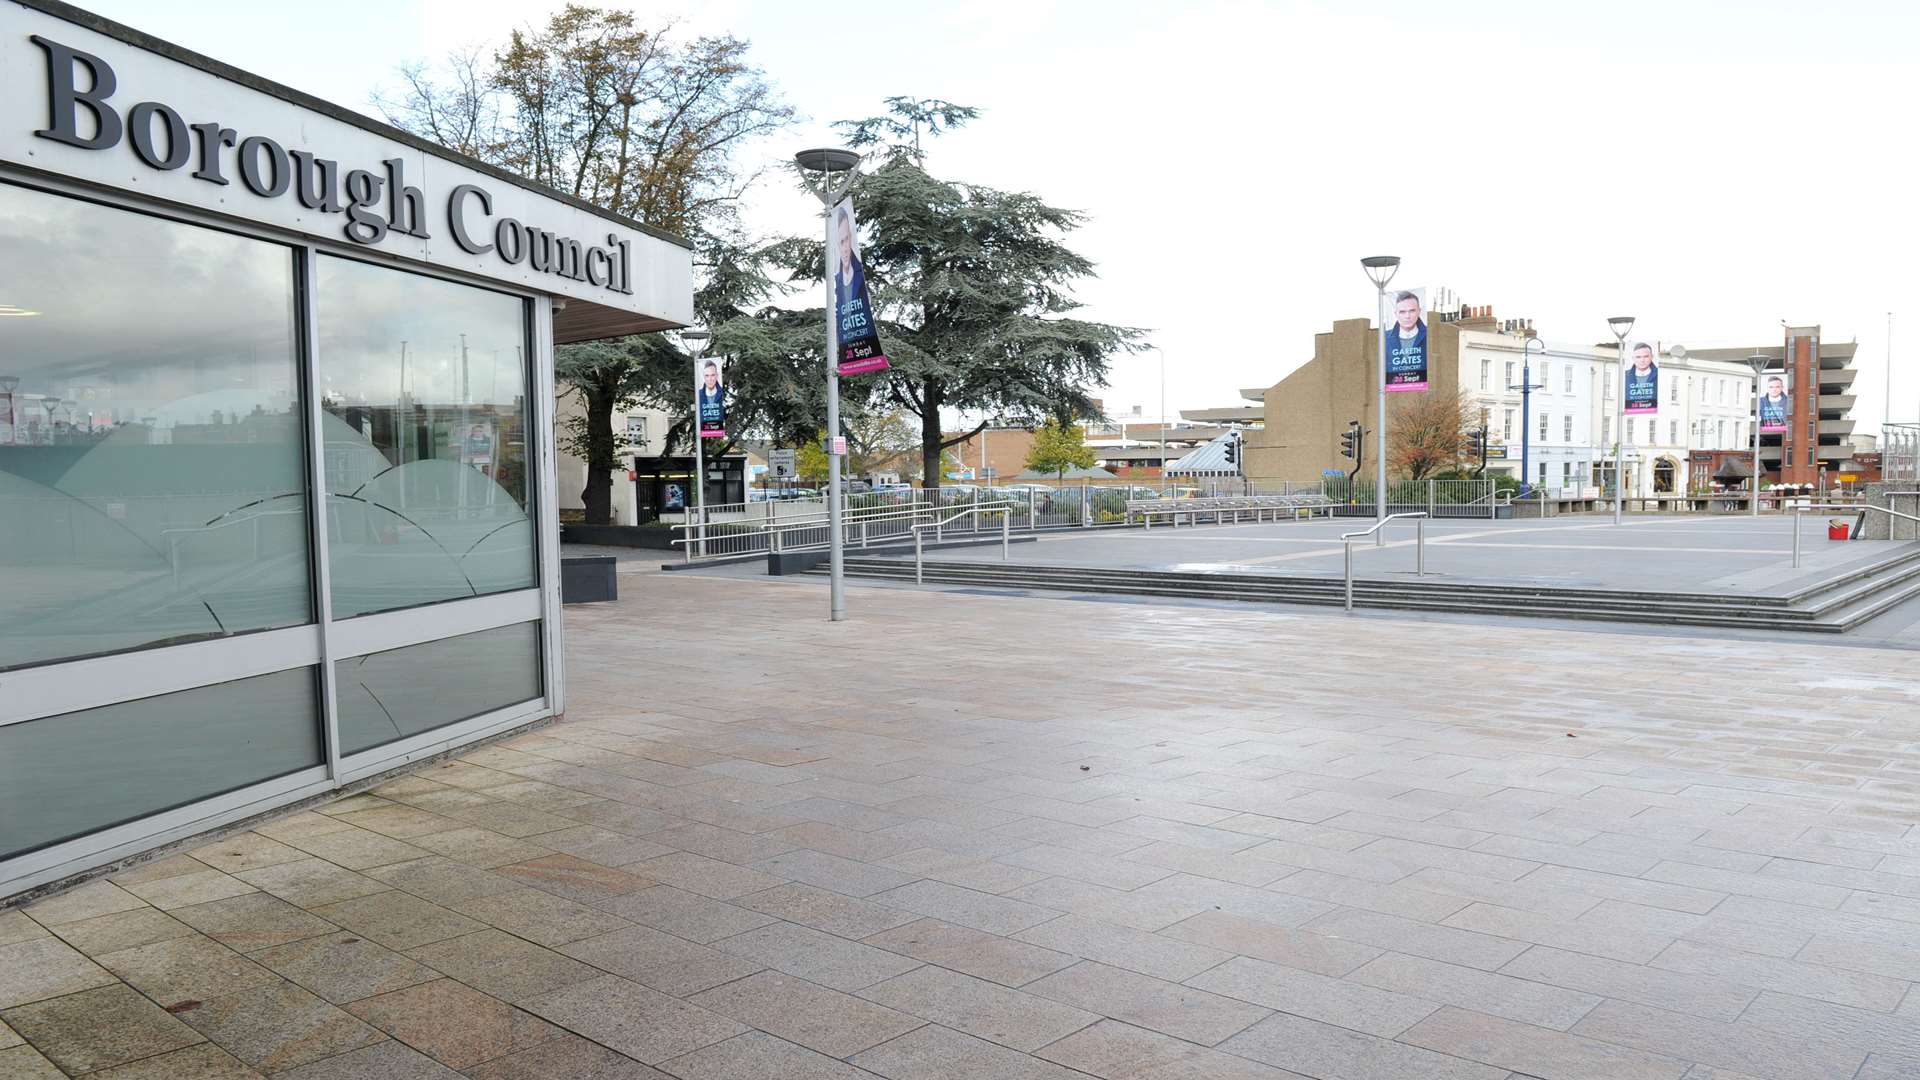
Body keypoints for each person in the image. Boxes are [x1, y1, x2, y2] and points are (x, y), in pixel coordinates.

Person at [1386, 291, 1426, 387]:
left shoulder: (1430, 335)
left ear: (1419, 311)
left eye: (1412, 311)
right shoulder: (1384, 339)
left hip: (1421, 393)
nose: (1407, 316)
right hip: (1393, 394)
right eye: (1402, 312)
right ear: (1396, 314)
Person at [1625, 343, 1658, 412]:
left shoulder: (1659, 374)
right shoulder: (1625, 376)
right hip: (1631, 411)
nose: (1642, 360)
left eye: (1646, 356)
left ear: (1652, 357)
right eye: (1638, 357)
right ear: (1633, 358)